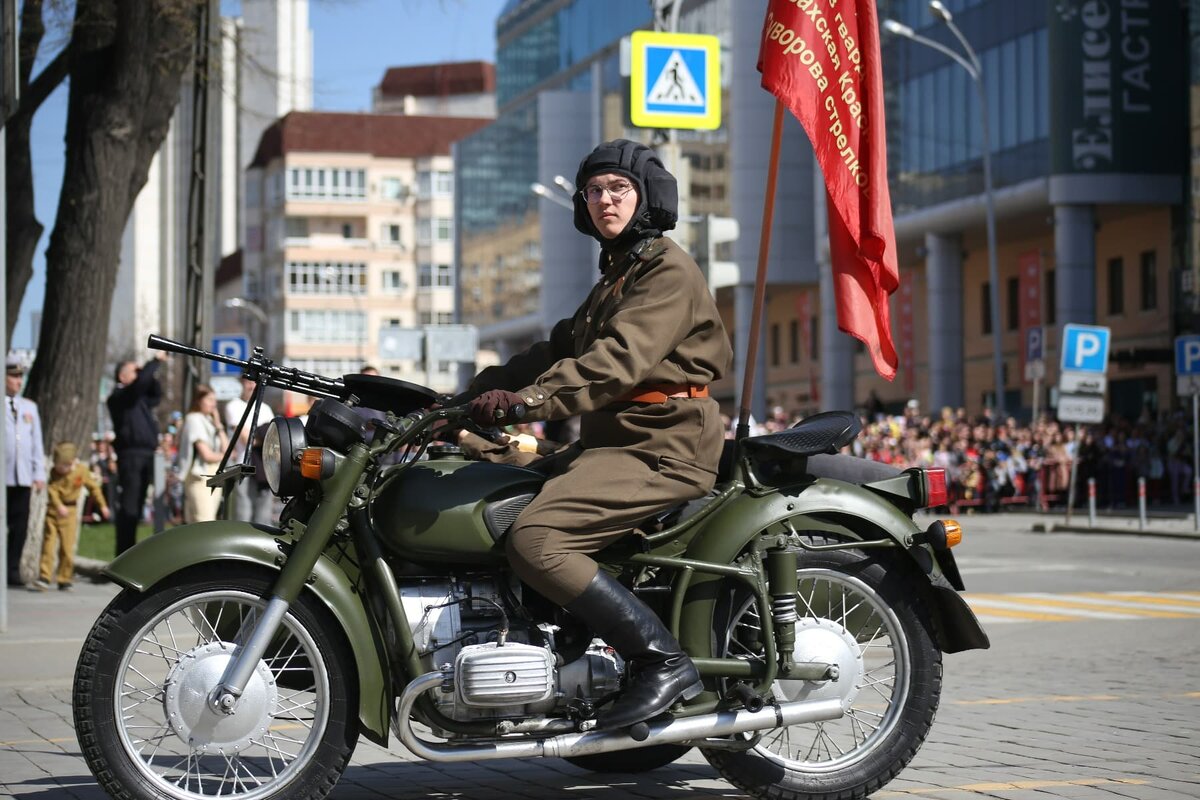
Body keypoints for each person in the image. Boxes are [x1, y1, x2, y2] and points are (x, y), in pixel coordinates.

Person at [461, 139, 733, 730]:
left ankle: (660, 661)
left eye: (619, 189)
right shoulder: (619, 274)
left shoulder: (666, 270)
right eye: (594, 191)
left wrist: (524, 404)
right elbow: (551, 350)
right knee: (494, 501)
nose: (605, 200)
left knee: (537, 541)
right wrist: (454, 401)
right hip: (617, 443)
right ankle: (563, 641)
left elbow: (615, 361)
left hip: (664, 445)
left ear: (646, 198)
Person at [107, 353, 165, 554]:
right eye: (135, 372)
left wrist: (151, 374)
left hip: (146, 455)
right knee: (129, 505)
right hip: (131, 456)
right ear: (122, 377)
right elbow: (139, 387)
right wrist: (153, 362)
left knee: (138, 506)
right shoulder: (119, 396)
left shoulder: (137, 400)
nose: (139, 375)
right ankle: (123, 554)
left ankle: (129, 552)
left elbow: (155, 394)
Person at [34, 442, 109, 591]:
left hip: (70, 512)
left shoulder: (81, 471)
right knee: (48, 546)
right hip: (54, 511)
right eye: (57, 465)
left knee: (67, 549)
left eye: (61, 466)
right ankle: (45, 576)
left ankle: (64, 578)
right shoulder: (54, 472)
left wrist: (103, 505)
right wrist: (58, 505)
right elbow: (52, 490)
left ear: (71, 463)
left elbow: (94, 488)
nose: (58, 469)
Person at [5, 359, 45, 586]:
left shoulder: (29, 407)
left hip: (23, 477)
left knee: (19, 527)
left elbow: (36, 443)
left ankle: (12, 570)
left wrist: (38, 472)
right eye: (13, 376)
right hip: (4, 478)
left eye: (20, 377)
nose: (18, 381)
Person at [178, 384, 229, 523]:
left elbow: (227, 449)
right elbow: (207, 455)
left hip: (214, 473)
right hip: (199, 476)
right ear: (199, 400)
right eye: (210, 399)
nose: (214, 404)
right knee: (204, 520)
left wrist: (218, 425)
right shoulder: (193, 419)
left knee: (206, 520)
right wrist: (224, 456)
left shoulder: (209, 421)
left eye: (215, 400)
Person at [223, 376, 259, 521]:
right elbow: (246, 440)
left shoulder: (266, 408)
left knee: (262, 511)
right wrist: (262, 438)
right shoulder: (234, 406)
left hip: (263, 467)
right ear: (242, 383)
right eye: (248, 382)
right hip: (243, 465)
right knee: (243, 511)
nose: (251, 386)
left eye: (254, 382)